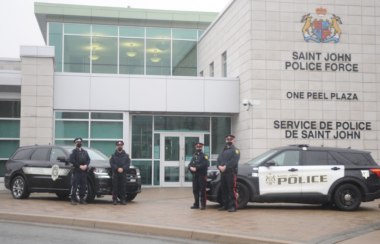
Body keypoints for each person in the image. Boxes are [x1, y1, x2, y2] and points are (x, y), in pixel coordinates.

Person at [216, 135, 240, 212]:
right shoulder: (223, 149)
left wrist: (225, 167)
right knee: (224, 189)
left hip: (230, 172)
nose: (229, 141)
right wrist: (219, 166)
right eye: (227, 140)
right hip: (223, 173)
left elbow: (234, 161)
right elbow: (219, 159)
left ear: (233, 141)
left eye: (230, 140)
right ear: (226, 141)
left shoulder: (236, 150)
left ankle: (233, 206)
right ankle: (225, 205)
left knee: (231, 189)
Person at [70, 138, 90, 205]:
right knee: (75, 185)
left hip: (84, 171)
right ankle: (73, 199)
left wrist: (86, 165)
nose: (79, 143)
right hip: (77, 171)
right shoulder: (73, 152)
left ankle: (81, 199)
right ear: (75, 144)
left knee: (83, 186)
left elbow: (88, 159)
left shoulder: (85, 152)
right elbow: (71, 160)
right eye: (77, 142)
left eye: (80, 142)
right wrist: (79, 166)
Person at [188, 142, 209, 210]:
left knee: (202, 190)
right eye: (197, 147)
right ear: (196, 148)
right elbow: (190, 164)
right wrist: (190, 167)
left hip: (201, 175)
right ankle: (196, 204)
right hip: (195, 175)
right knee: (195, 190)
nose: (198, 148)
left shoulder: (205, 156)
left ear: (202, 147)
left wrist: (196, 167)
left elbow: (204, 164)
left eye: (199, 147)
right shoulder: (194, 156)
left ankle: (203, 205)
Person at [109, 141, 130, 205]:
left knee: (123, 187)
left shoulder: (126, 156)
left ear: (122, 146)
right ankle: (115, 199)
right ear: (116, 147)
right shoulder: (112, 155)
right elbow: (111, 163)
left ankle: (123, 200)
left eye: (121, 146)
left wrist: (123, 168)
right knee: (115, 186)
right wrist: (117, 168)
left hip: (123, 173)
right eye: (118, 146)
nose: (119, 147)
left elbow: (128, 164)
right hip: (116, 173)